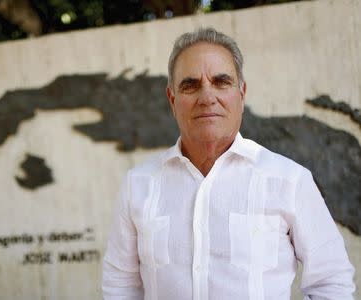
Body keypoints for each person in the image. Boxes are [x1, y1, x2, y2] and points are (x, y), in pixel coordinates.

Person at [102, 27, 355, 300]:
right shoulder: (138, 185)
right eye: (190, 85)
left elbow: (332, 283)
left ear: (242, 94)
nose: (207, 97)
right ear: (172, 100)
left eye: (221, 82)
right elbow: (121, 286)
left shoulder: (290, 181)